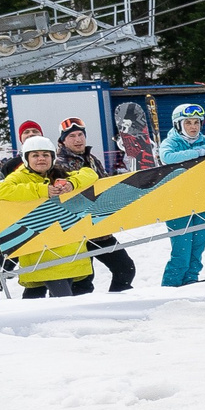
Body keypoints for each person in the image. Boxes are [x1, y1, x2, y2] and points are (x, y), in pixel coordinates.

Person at [0, 133, 93, 297]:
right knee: (63, 301)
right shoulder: (19, 176)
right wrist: (41, 190)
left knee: (36, 300)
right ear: (26, 159)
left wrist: (72, 183)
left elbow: (90, 174)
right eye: (35, 155)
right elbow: (1, 190)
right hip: (41, 253)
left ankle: (26, 322)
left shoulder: (60, 173)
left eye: (46, 155)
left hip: (67, 251)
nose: (41, 159)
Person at [153, 104, 205, 287]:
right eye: (188, 122)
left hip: (203, 201)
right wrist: (198, 152)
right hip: (178, 204)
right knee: (181, 253)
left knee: (197, 250)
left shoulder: (201, 139)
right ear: (178, 125)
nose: (193, 127)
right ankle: (170, 287)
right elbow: (168, 157)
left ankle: (191, 283)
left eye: (196, 122)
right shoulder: (172, 142)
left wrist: (200, 145)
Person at [53, 120, 137, 294]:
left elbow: (104, 184)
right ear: (62, 141)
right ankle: (83, 316)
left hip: (100, 229)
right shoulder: (57, 164)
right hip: (77, 232)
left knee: (125, 269)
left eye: (80, 135)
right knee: (82, 282)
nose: (78, 139)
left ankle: (115, 304)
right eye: (72, 136)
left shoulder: (91, 158)